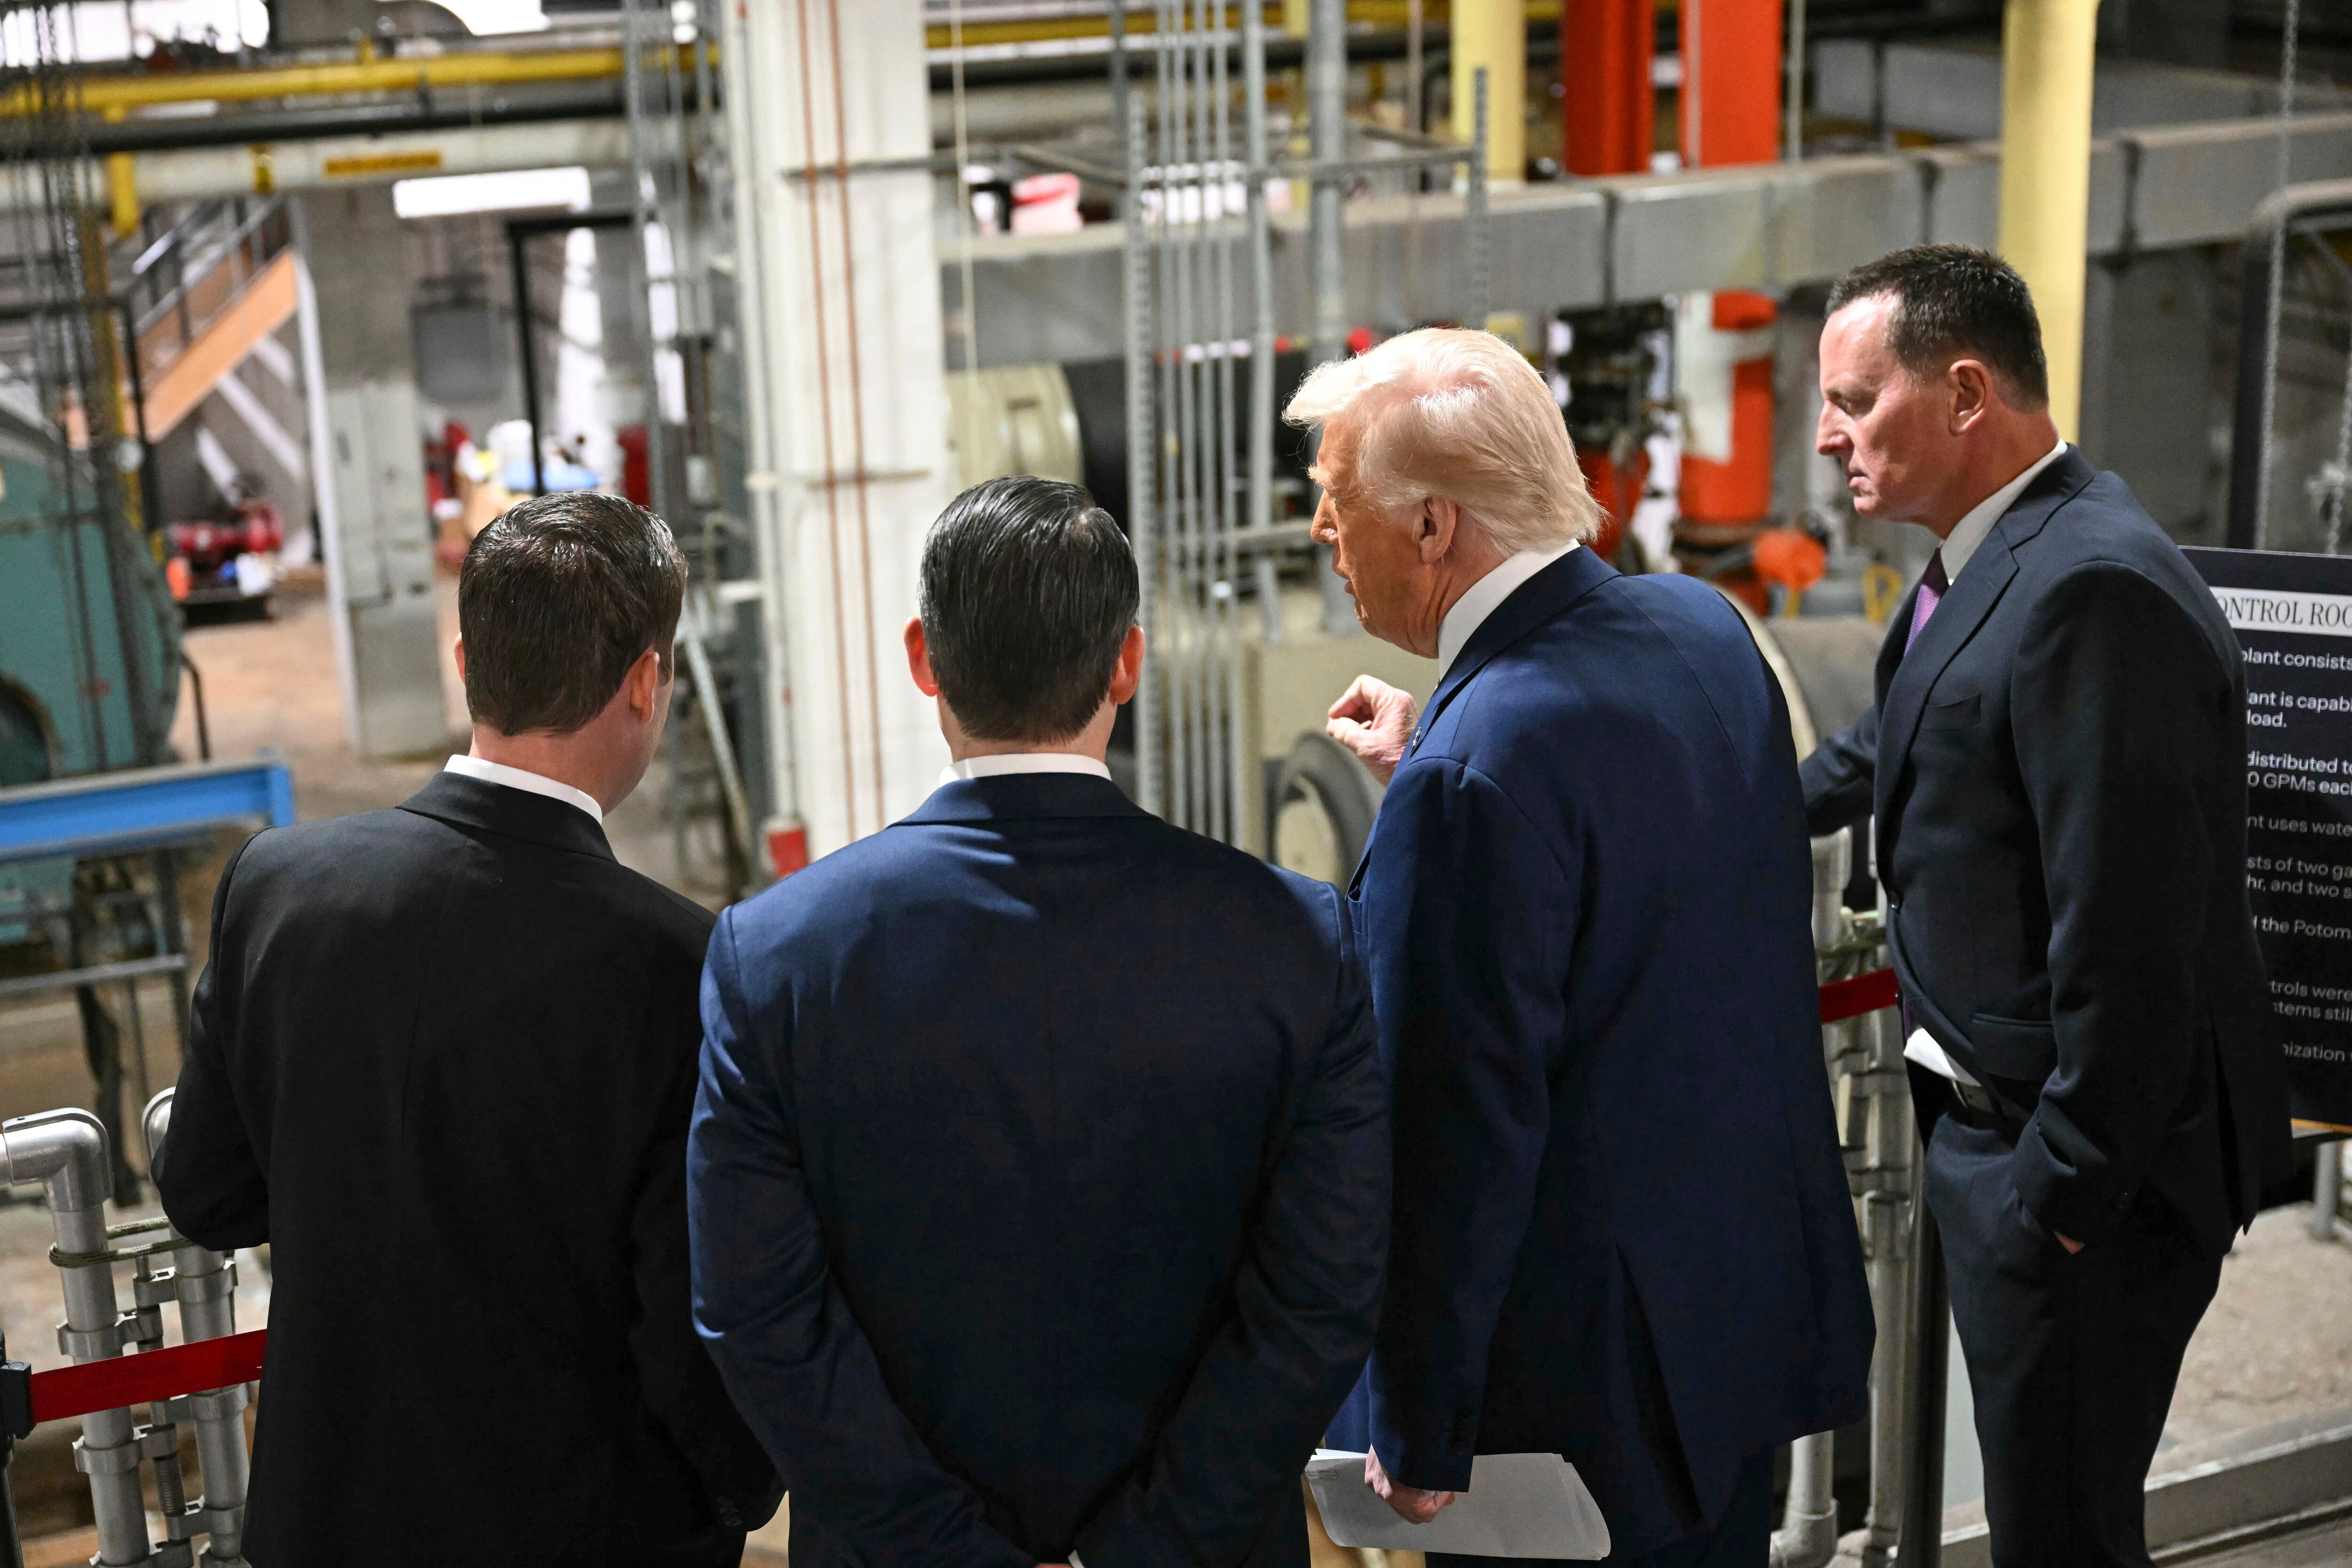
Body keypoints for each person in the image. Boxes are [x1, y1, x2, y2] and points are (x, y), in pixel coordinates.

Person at [688, 475, 1389, 1568]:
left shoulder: (774, 957)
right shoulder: (1297, 941)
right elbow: (1321, 1299)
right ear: (1127, 663)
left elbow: (758, 1316)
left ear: (924, 657)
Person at [1300, 328, 1874, 1567]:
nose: (1319, 532)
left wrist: (1418, 1417)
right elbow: (1649, 854)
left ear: (1437, 527)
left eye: (1336, 500)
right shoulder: (1704, 631)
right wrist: (1447, 743)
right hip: (1735, 1330)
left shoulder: (1479, 775)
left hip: (1576, 1399)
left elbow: (1456, 1125)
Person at [155, 492, 779, 1565]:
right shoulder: (677, 963)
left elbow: (205, 1190)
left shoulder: (280, 886)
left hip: (322, 1522)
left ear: (462, 659)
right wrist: (740, 1486)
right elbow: (688, 1331)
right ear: (646, 681)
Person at [1801, 245, 2291, 1567]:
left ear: (1965, 392)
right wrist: (1696, 794)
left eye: (1853, 398)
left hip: (2085, 1179)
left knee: (2062, 1538)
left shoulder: (2093, 588)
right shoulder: (1993, 547)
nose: (1825, 434)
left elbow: (2130, 937)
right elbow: (1899, 741)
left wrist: (2058, 1197)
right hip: (2012, 1143)